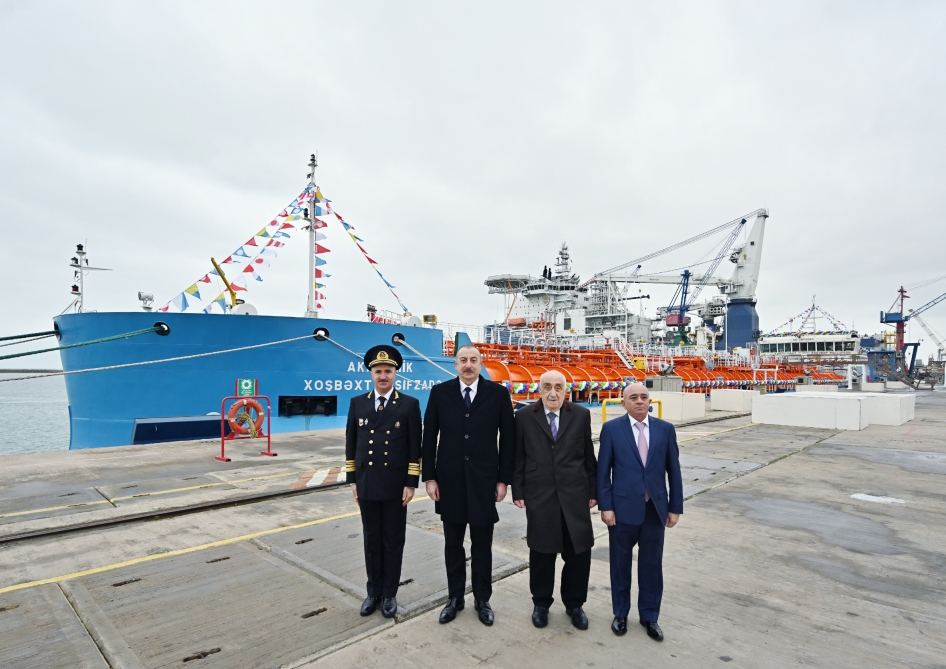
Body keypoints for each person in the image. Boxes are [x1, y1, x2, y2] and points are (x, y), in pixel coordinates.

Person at [422, 344, 515, 626]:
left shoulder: (498, 394)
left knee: (482, 545)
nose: (468, 365)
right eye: (463, 360)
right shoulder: (440, 393)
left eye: (473, 360)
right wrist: (429, 477)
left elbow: (508, 439)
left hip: (484, 482)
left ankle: (482, 599)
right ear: (455, 364)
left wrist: (503, 479)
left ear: (480, 363)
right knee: (452, 544)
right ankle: (455, 598)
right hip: (448, 482)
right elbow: (429, 438)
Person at [597, 382, 683, 642]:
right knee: (620, 565)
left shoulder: (665, 430)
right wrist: (606, 506)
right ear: (624, 402)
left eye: (644, 397)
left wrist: (675, 507)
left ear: (649, 401)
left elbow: (674, 471)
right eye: (633, 397)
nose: (639, 401)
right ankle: (620, 613)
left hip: (655, 510)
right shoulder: (612, 430)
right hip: (622, 511)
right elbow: (603, 473)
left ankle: (649, 616)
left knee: (651, 566)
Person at [512, 370, 597, 630]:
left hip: (575, 496)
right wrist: (519, 491)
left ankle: (574, 604)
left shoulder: (581, 415)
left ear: (566, 391)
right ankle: (541, 603)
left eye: (558, 387)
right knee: (541, 553)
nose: (552, 392)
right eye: (547, 387)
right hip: (540, 495)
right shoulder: (525, 417)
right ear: (539, 390)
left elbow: (588, 457)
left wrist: (594, 492)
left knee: (578, 553)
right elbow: (519, 457)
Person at [345, 344, 422, 619]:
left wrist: (411, 482)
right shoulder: (358, 403)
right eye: (378, 371)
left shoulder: (409, 405)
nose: (383, 376)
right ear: (371, 374)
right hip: (366, 484)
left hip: (395, 486)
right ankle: (372, 592)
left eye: (388, 371)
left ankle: (390, 593)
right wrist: (352, 480)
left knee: (393, 541)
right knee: (371, 540)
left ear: (395, 373)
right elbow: (351, 443)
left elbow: (416, 447)